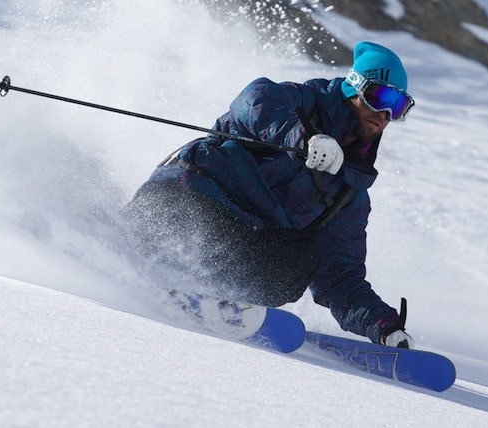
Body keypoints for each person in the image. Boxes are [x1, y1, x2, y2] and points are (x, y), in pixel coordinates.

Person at [124, 41, 416, 348]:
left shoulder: (349, 192)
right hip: (188, 195)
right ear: (354, 87)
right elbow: (254, 100)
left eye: (397, 106)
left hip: (233, 241)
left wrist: (382, 325)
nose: (385, 114)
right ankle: (123, 239)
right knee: (183, 220)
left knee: (300, 260)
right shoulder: (302, 103)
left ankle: (212, 294)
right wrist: (303, 137)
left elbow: (340, 276)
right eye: (379, 97)